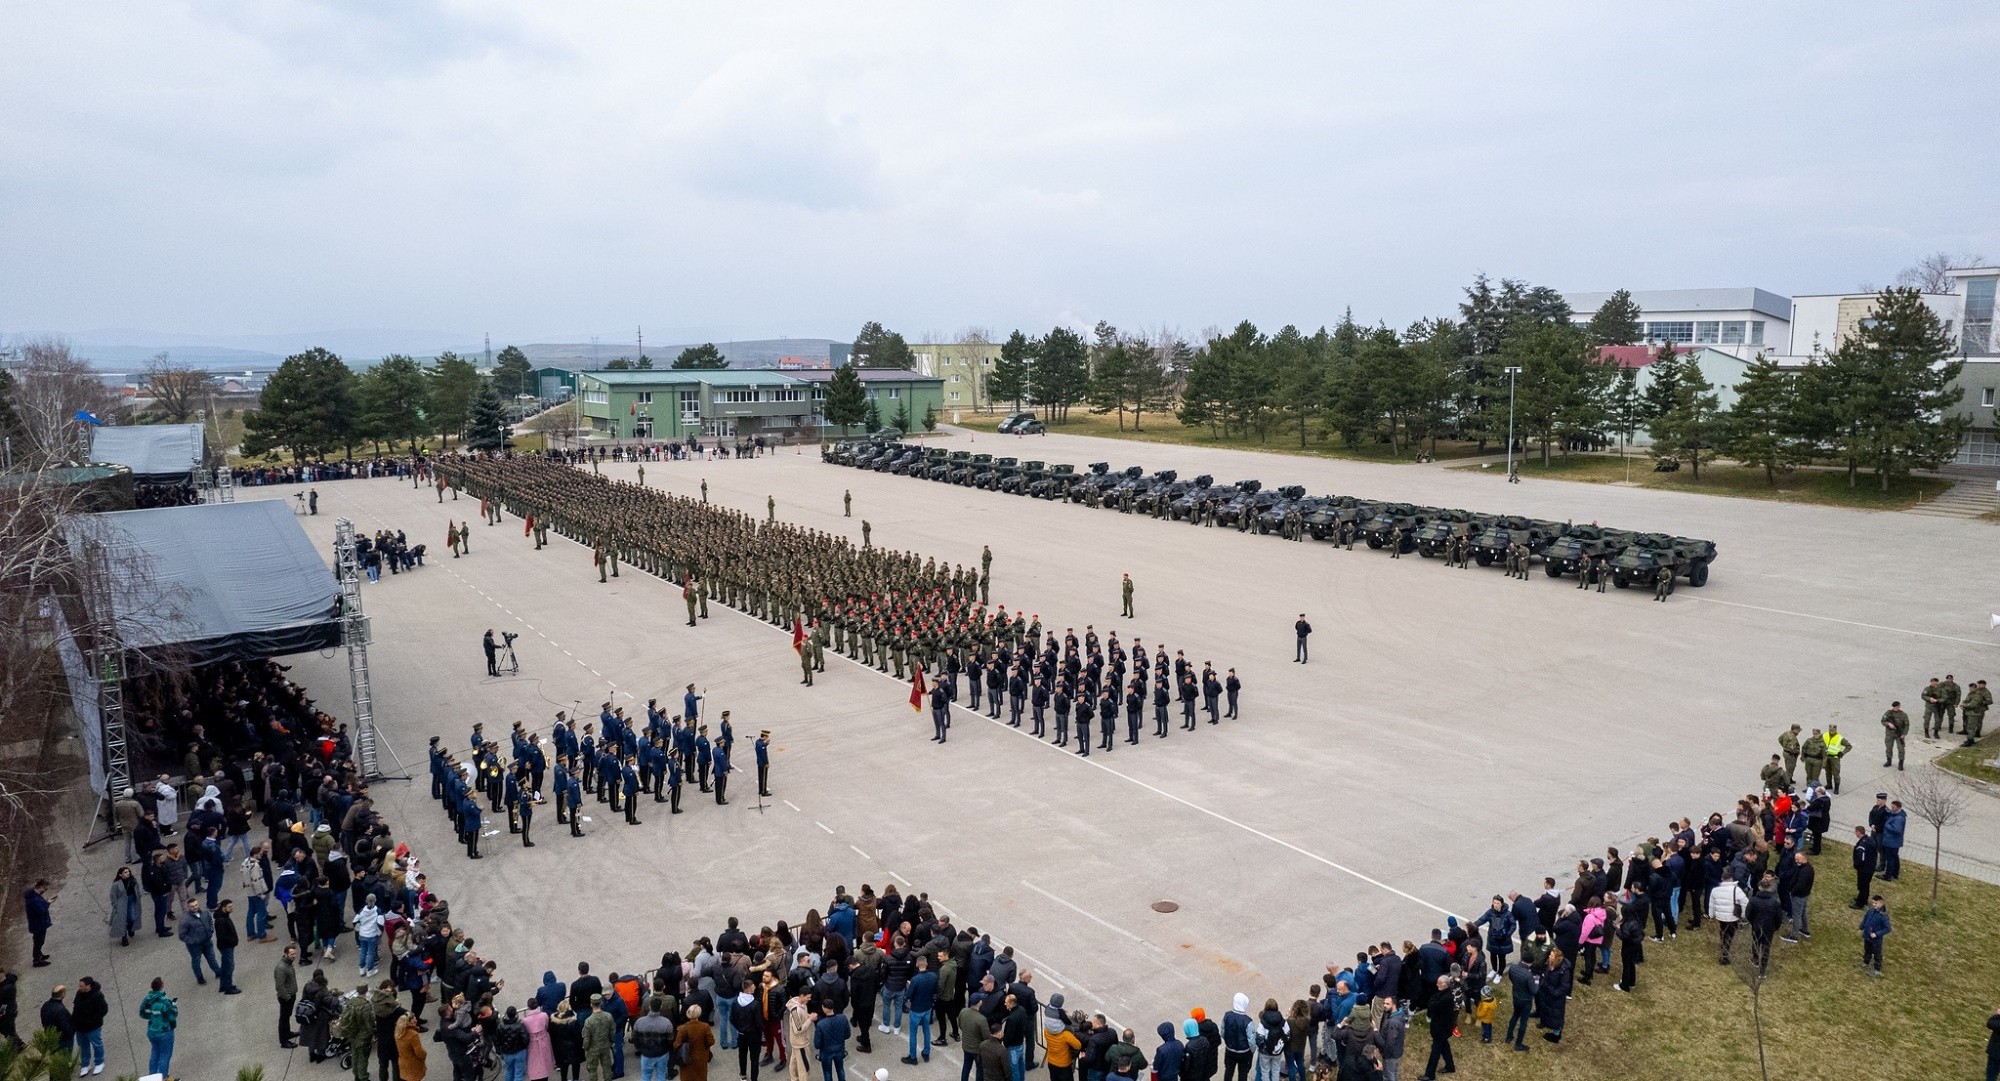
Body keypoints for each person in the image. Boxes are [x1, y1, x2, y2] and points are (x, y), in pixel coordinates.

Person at [139, 975, 179, 1078]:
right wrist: (174, 1006)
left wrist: (153, 1016)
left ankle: (153, 1077)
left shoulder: (147, 999)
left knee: (155, 1054)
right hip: (164, 1032)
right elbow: (172, 1015)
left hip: (152, 1031)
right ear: (162, 986)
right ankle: (163, 1078)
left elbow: (142, 1013)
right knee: (164, 1056)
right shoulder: (164, 1001)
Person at [73, 976, 108, 1075]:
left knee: (97, 1044)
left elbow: (103, 1009)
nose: (79, 988)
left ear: (88, 986)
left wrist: (93, 1021)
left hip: (92, 1027)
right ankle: (85, 1065)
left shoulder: (97, 995)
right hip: (80, 1027)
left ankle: (99, 1062)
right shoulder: (79, 993)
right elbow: (75, 1007)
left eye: (81, 986)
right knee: (83, 1046)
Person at [677, 1003, 717, 1081]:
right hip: (701, 1057)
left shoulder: (682, 1028)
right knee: (701, 1077)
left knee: (687, 1077)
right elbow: (711, 1042)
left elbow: (676, 1044)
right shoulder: (705, 1026)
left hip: (686, 1058)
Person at [22, 879, 52, 967]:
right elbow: (41, 911)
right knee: (39, 941)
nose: (45, 890)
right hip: (39, 924)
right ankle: (36, 960)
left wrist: (45, 902)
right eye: (45, 888)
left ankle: (39, 955)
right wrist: (48, 903)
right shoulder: (34, 899)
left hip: (36, 923)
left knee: (38, 941)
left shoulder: (33, 895)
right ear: (40, 887)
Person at [275, 944, 300, 1049]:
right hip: (286, 997)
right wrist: (287, 997)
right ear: (286, 954)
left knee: (287, 1016)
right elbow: (279, 985)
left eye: (295, 954)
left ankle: (287, 1033)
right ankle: (283, 1041)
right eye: (291, 954)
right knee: (284, 1018)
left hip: (290, 995)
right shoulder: (281, 967)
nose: (294, 956)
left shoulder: (289, 963)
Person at [1860, 895, 1891, 977]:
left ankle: (1877, 969)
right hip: (1867, 935)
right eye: (1873, 902)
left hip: (1876, 939)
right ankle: (1866, 961)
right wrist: (1862, 926)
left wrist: (1877, 934)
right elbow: (1865, 918)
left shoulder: (1883, 916)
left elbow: (1888, 929)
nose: (1874, 905)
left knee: (1877, 954)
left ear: (1881, 904)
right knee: (1867, 949)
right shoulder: (1870, 911)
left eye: (1876, 903)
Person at [1850, 826, 1877, 909]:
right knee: (1866, 885)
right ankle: (1863, 899)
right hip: (1871, 866)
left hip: (1864, 869)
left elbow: (1861, 858)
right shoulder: (1869, 840)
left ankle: (1859, 903)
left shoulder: (1862, 845)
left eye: (1855, 832)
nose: (1855, 833)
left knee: (1862, 885)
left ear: (1859, 832)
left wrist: (1856, 865)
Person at [398, 1012, 429, 1081]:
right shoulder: (413, 1034)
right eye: (413, 1019)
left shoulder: (398, 1031)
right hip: (414, 1064)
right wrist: (424, 1055)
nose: (416, 1020)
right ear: (408, 1022)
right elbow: (419, 1052)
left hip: (403, 1062)